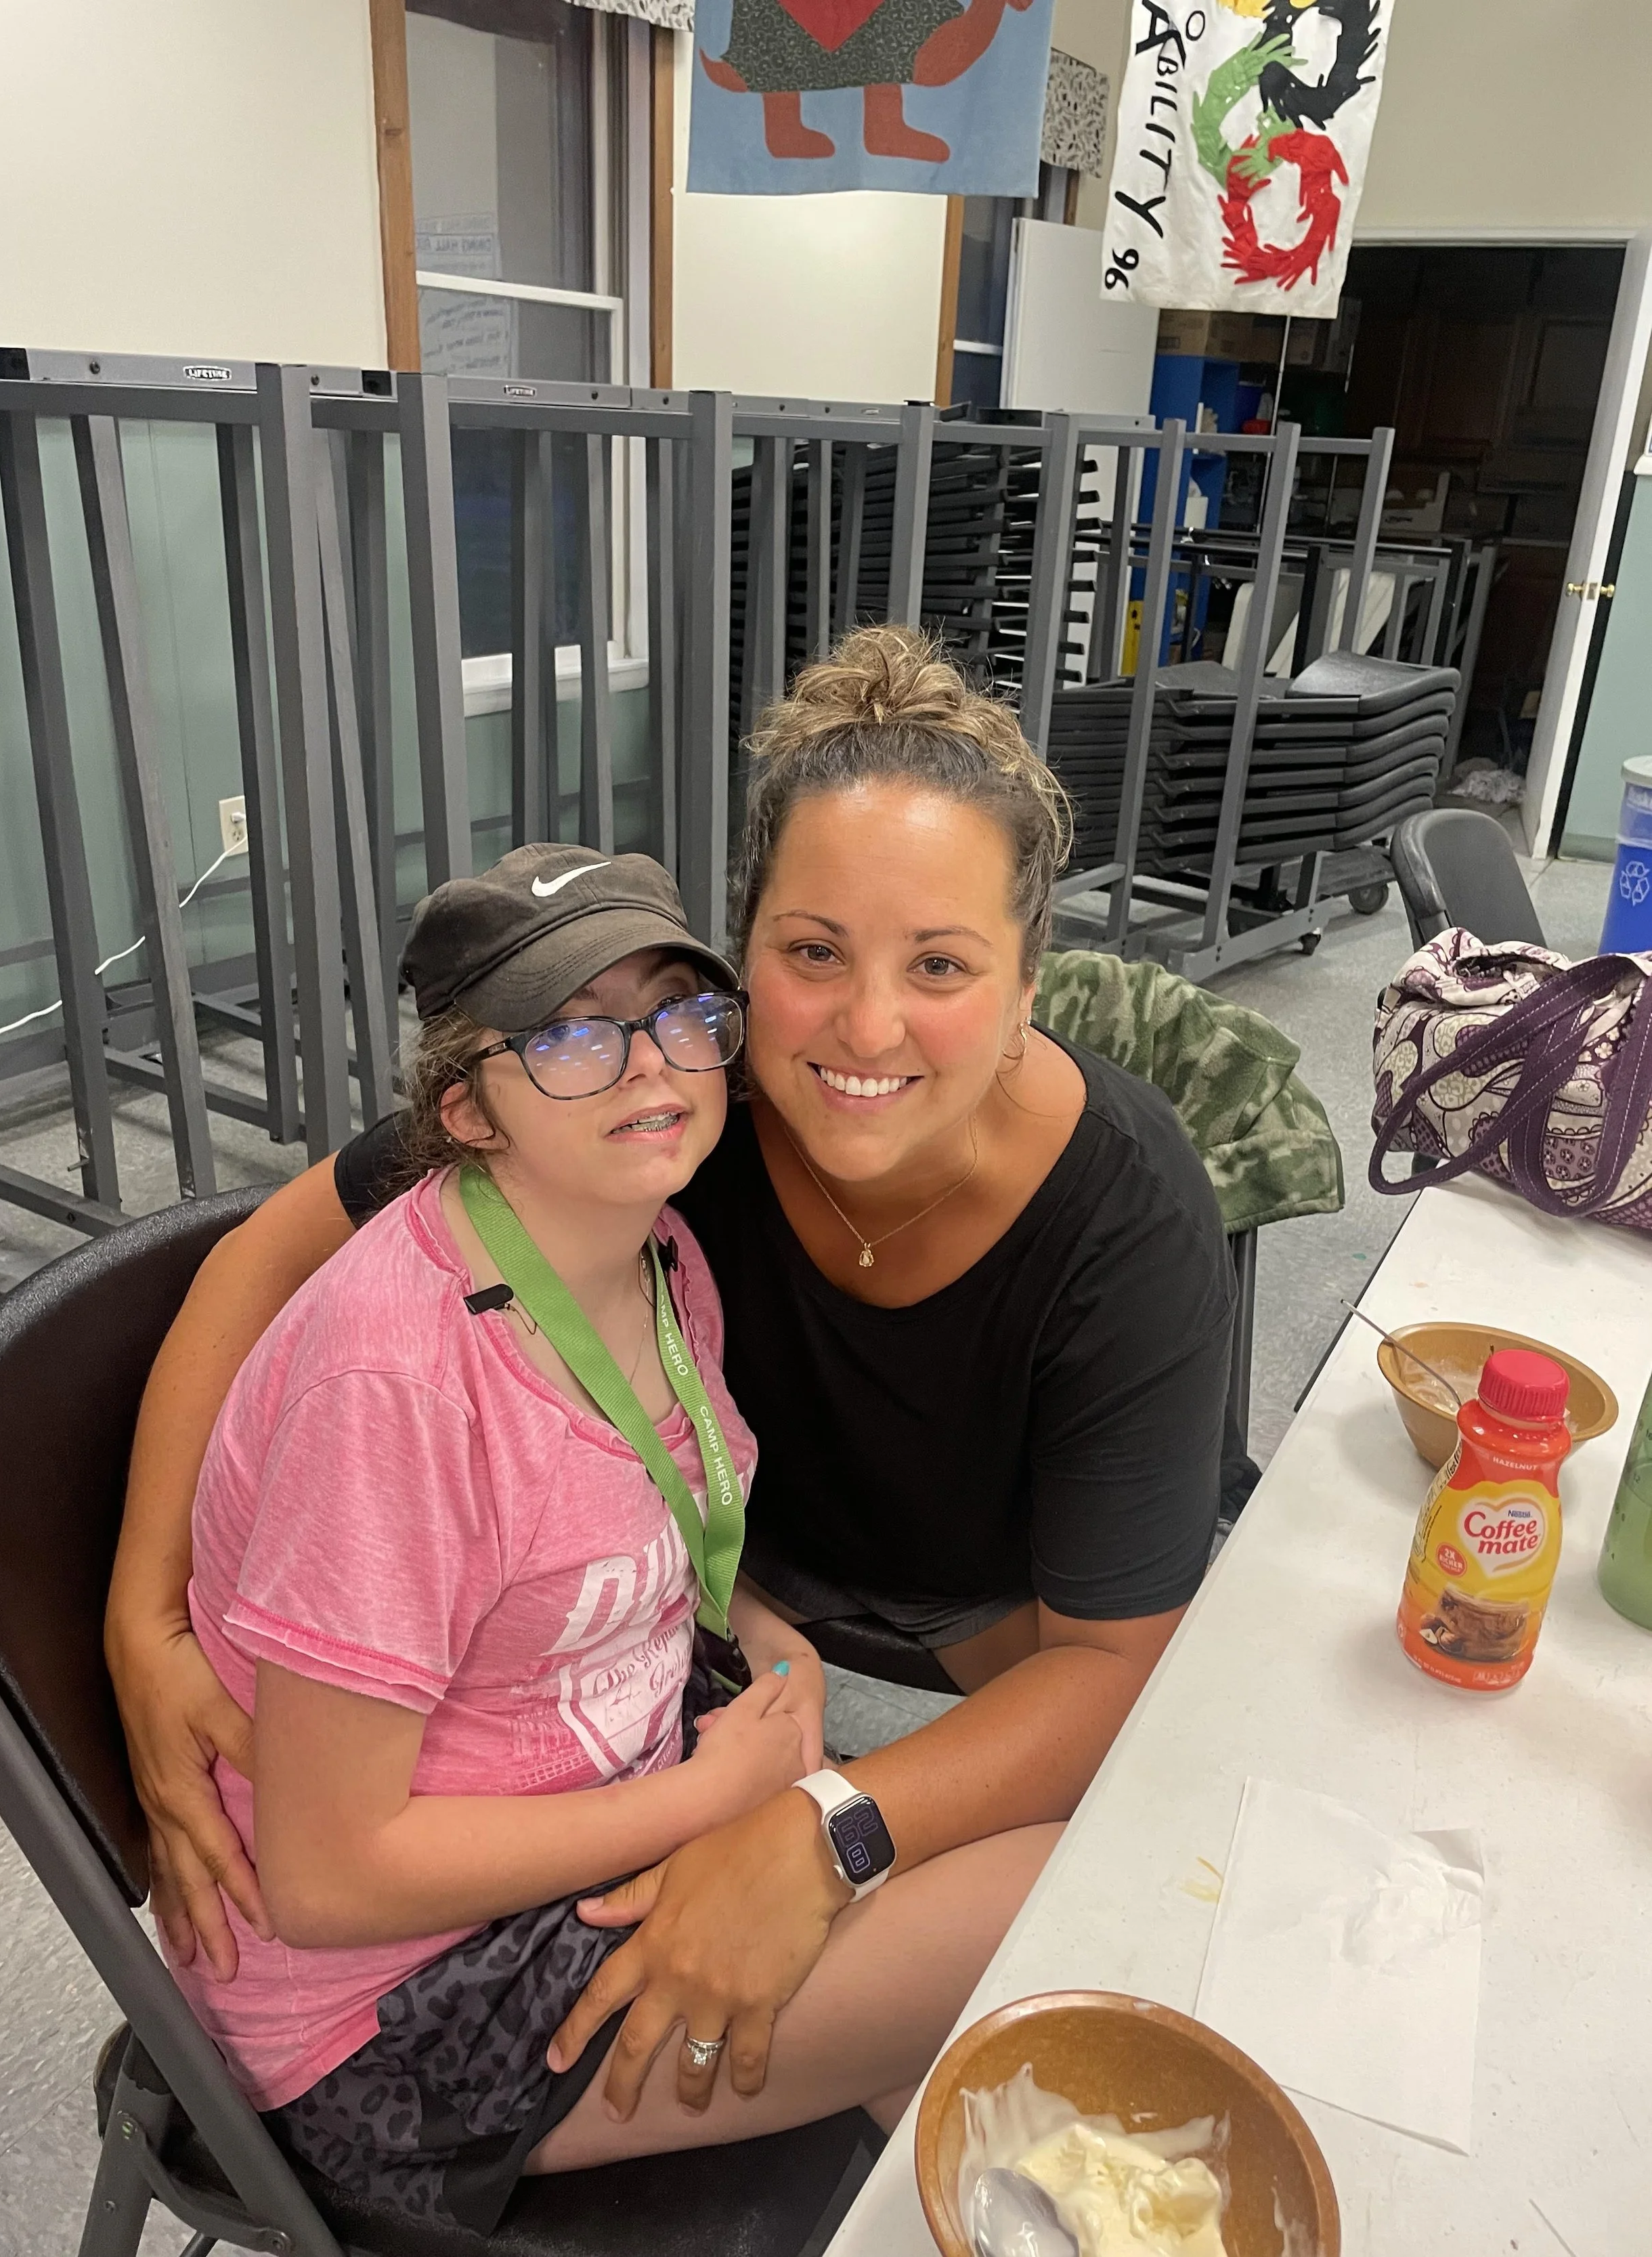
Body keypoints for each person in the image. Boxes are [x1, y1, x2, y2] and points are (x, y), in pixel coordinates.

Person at [108, 624, 1235, 2136]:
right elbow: (259, 1258)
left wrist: (822, 1820)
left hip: (831, 1603)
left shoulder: (1098, 1212)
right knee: (1059, 1944)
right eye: (811, 952)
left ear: (1035, 981)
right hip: (511, 1833)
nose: (865, 1026)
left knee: (1152, 1827)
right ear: (746, 952)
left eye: (943, 965)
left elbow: (1108, 1666)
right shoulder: (641, 1130)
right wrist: (144, 1614)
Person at [154, 846, 1054, 2227]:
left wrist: (760, 1637)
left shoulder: (651, 1247)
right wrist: (697, 1805)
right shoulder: (394, 1384)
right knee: (1045, 1894)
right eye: (572, 1033)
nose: (649, 1066)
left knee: (972, 2024)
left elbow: (635, 1532)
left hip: (611, 1792)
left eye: (678, 1017)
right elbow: (329, 1878)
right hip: (395, 2004)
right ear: (465, 1104)